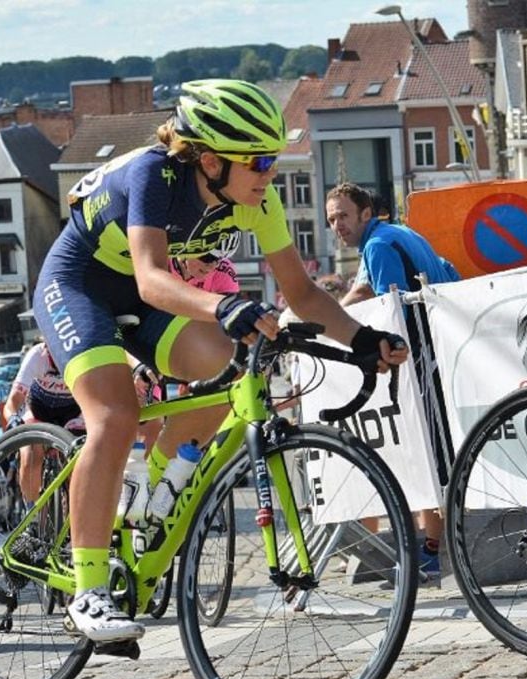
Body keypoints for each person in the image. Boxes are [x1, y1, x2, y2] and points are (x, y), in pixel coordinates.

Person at [32, 78, 407, 643]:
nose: (270, 174)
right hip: (81, 283)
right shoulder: (153, 176)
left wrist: (358, 339)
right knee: (113, 417)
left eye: (273, 159)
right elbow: (152, 277)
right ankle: (87, 590)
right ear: (209, 161)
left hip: (147, 293)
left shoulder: (258, 200)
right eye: (258, 162)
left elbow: (303, 295)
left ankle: (153, 505)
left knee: (229, 365)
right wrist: (222, 302)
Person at [326, 182, 460, 578]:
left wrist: (323, 323)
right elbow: (361, 290)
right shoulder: (394, 234)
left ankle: (435, 552)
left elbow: (386, 305)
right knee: (428, 454)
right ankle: (430, 547)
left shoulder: (378, 245)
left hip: (424, 357)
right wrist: (327, 316)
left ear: (366, 213)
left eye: (344, 216)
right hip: (441, 350)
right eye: (332, 219)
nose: (337, 225)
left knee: (429, 454)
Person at [2, 342, 82, 504]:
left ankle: (75, 512)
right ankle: (32, 516)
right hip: (38, 410)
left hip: (73, 411)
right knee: (31, 452)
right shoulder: (36, 356)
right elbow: (14, 399)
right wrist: (12, 419)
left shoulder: (79, 354)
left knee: (79, 458)